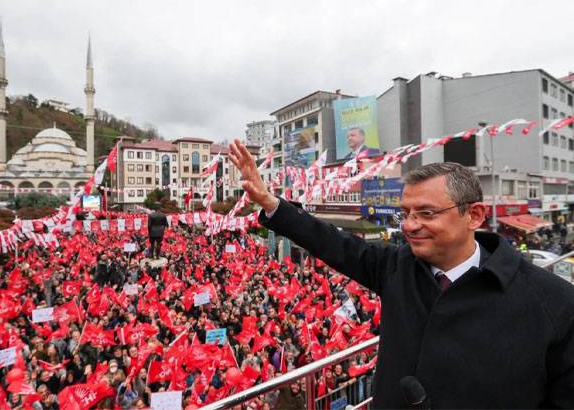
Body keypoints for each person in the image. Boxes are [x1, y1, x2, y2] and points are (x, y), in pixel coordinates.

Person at [228, 138, 574, 408]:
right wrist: (270, 202)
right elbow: (333, 243)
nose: (410, 225)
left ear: (475, 215)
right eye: (405, 213)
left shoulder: (554, 303)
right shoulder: (396, 267)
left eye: (426, 213)